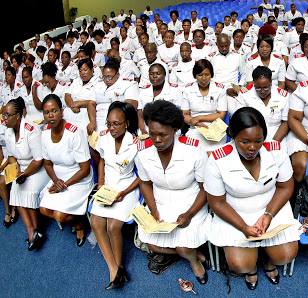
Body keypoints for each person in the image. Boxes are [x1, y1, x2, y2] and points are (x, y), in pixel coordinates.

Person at [205, 107, 299, 290]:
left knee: (285, 255)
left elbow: (286, 187)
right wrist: (243, 227)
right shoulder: (217, 159)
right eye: (244, 142)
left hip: (272, 206)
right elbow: (217, 202)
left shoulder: (277, 149)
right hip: (235, 212)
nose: (252, 148)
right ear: (233, 137)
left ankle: (268, 259)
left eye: (258, 141)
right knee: (241, 265)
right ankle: (252, 267)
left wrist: (268, 215)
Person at [136, 100, 210, 284]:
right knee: (151, 244)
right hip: (160, 202)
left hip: (189, 202)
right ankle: (195, 253)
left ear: (175, 130)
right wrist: (153, 210)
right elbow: (145, 184)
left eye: (162, 135)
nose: (157, 140)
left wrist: (189, 214)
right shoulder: (144, 154)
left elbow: (205, 189)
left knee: (184, 247)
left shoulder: (193, 151)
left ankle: (194, 260)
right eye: (152, 134)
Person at [90, 102, 141, 290]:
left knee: (113, 226)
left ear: (126, 124)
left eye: (116, 124)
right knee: (96, 223)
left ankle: (118, 266)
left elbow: (142, 176)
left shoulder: (136, 143)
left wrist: (124, 193)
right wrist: (101, 184)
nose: (111, 128)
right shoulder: (104, 138)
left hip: (127, 187)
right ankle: (114, 268)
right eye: (109, 123)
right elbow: (102, 161)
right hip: (109, 186)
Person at [39, 94, 95, 247]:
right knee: (43, 209)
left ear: (62, 112)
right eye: (46, 112)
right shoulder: (44, 134)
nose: (50, 115)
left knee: (59, 215)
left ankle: (79, 223)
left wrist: (63, 185)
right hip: (58, 177)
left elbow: (84, 169)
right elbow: (48, 164)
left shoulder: (74, 133)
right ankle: (76, 218)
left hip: (78, 179)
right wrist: (56, 181)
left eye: (54, 111)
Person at [3, 97, 50, 249]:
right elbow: (11, 156)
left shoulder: (32, 130)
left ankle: (37, 230)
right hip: (22, 169)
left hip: (38, 169)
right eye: (3, 114)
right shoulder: (8, 131)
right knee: (15, 191)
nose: (4, 118)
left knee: (29, 191)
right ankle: (31, 231)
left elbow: (38, 160)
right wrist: (16, 171)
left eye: (8, 115)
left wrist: (24, 175)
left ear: (18, 116)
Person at [235, 66, 289, 147]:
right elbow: (240, 121)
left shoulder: (282, 96)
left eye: (266, 88)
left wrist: (274, 142)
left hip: (277, 134)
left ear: (271, 82)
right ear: (253, 83)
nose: (262, 91)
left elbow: (285, 122)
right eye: (258, 88)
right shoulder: (244, 95)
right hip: (251, 135)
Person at [182, 59, 227, 153]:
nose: (203, 78)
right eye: (200, 75)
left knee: (216, 154)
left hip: (215, 128)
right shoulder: (188, 89)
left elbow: (221, 115)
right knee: (195, 152)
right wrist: (196, 122)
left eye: (207, 75)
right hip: (195, 128)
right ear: (195, 75)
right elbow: (185, 114)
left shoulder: (220, 89)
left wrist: (199, 118)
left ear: (211, 74)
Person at [139, 62, 182, 134]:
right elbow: (140, 115)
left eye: (158, 74)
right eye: (151, 74)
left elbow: (180, 114)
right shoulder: (143, 91)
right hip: (147, 129)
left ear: (165, 75)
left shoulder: (174, 91)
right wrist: (143, 129)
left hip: (169, 128)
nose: (154, 76)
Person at [64, 59, 99, 134]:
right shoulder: (77, 81)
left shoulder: (98, 82)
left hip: (85, 114)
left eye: (85, 70)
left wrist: (79, 103)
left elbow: (96, 102)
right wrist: (72, 105)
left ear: (92, 70)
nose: (82, 73)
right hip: (70, 111)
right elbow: (67, 94)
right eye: (80, 71)